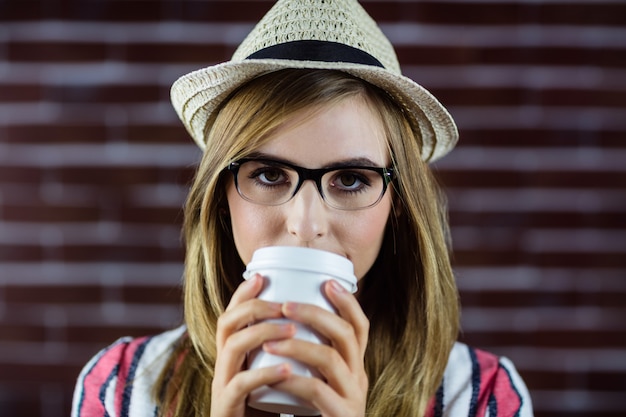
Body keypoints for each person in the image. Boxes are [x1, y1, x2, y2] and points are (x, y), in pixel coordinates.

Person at [71, 0, 533, 416]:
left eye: (351, 179)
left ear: (398, 204)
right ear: (220, 198)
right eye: (269, 175)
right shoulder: (122, 390)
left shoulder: (480, 395)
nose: (305, 225)